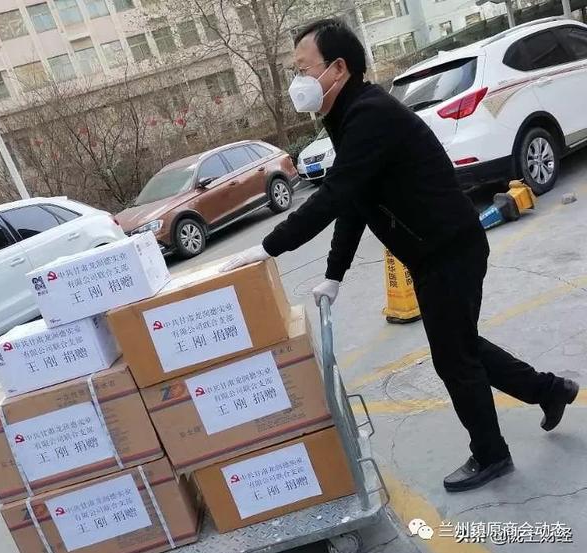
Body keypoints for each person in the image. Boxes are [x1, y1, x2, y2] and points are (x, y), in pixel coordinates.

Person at [221, 18, 580, 492]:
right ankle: (550, 391)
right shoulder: (348, 117)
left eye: (303, 69)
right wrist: (334, 274)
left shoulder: (369, 115)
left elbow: (334, 195)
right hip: (436, 251)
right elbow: (356, 201)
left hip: (449, 249)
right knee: (462, 347)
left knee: (454, 358)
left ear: (337, 68)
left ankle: (491, 454)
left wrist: (267, 248)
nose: (297, 81)